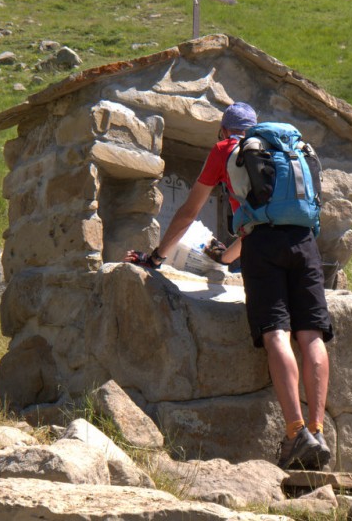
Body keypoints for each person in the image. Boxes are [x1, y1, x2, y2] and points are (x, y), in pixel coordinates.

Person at [125, 102, 333, 470]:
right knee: (311, 335)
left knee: (276, 333)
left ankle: (295, 433)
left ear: (224, 131)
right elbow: (261, 221)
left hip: (263, 248)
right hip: (305, 244)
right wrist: (226, 257)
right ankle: (318, 432)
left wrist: (156, 258)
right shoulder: (284, 151)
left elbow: (191, 212)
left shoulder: (226, 151)